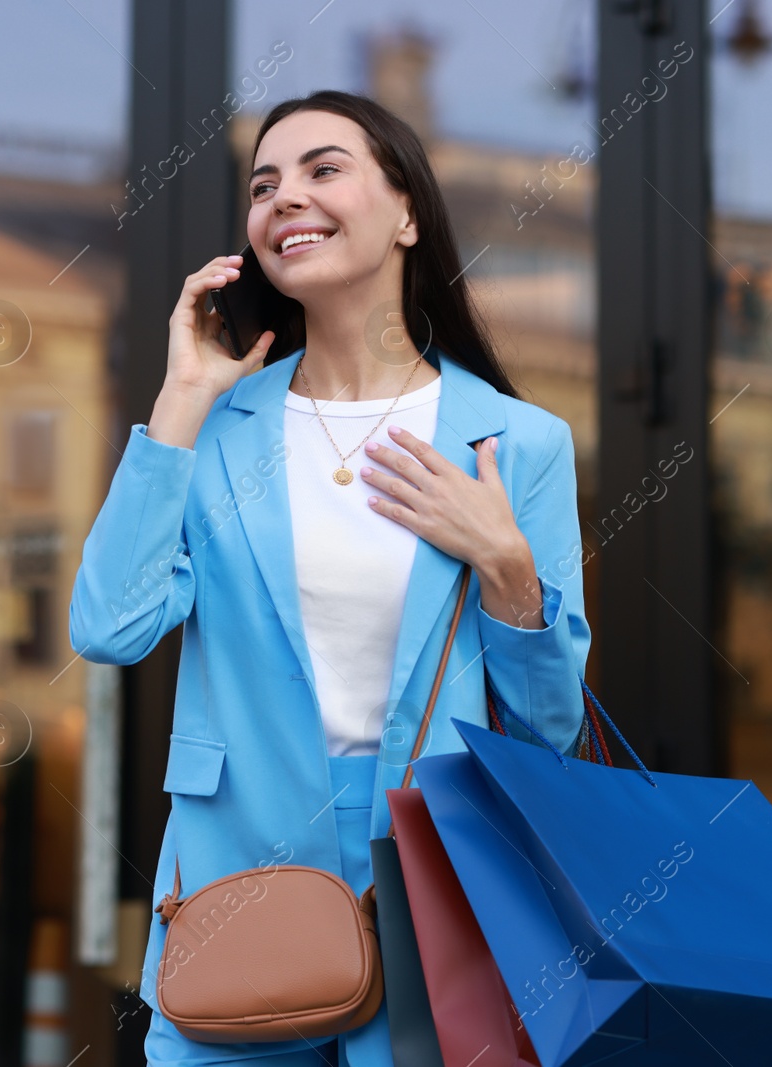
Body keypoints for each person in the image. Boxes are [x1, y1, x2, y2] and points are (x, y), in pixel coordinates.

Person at [68, 90, 590, 1067]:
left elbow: (547, 730)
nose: (284, 199)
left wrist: (507, 569)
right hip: (235, 882)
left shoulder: (517, 445)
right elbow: (111, 625)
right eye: (263, 185)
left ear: (405, 214)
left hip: (441, 885)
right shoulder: (217, 428)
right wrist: (181, 398)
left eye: (321, 169)